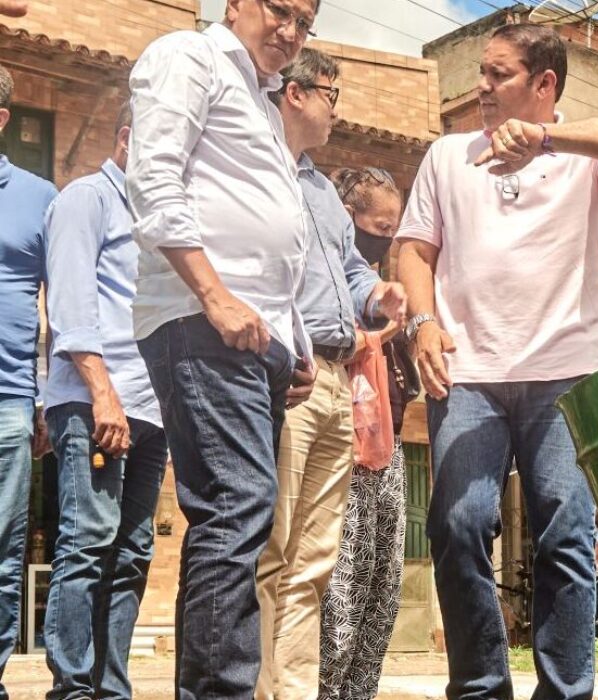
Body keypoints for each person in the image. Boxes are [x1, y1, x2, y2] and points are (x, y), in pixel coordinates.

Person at [395, 22, 598, 698]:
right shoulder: (448, 157)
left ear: (543, 85)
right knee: (459, 524)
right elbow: (415, 250)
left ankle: (565, 691)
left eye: (498, 74)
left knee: (565, 535)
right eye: (480, 71)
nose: (480, 86)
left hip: (564, 374)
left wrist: (549, 138)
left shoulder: (585, 160)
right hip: (468, 375)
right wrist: (424, 324)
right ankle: (482, 686)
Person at [126, 0, 320, 695]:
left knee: (234, 519)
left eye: (307, 20)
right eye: (281, 10)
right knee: (237, 509)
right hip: (201, 321)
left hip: (252, 335)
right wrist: (212, 294)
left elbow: (275, 233)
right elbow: (153, 179)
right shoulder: (190, 57)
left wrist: (293, 344)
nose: (292, 31)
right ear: (236, 4)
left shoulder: (262, 101)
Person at [257, 47, 404, 700]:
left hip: (337, 380)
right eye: (331, 94)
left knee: (315, 562)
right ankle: (261, 686)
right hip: (283, 377)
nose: (335, 109)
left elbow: (349, 271)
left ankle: (292, 691)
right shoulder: (254, 169)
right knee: (274, 550)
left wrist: (378, 296)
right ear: (294, 93)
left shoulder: (319, 188)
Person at [39, 104, 171, 700]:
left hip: (151, 409)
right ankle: (71, 687)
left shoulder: (157, 214)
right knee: (87, 544)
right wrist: (102, 396)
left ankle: (109, 688)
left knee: (133, 553)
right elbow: (69, 308)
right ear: (125, 139)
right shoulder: (84, 199)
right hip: (96, 403)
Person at [319, 165, 411, 700]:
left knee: (382, 587)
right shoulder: (331, 281)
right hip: (343, 447)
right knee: (341, 589)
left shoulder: (383, 291)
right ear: (348, 218)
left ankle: (360, 693)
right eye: (379, 226)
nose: (387, 238)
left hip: (389, 449)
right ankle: (327, 690)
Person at [0, 63, 55, 696]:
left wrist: (46, 396)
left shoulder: (41, 197)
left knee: (3, 549)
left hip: (11, 398)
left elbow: (58, 302)